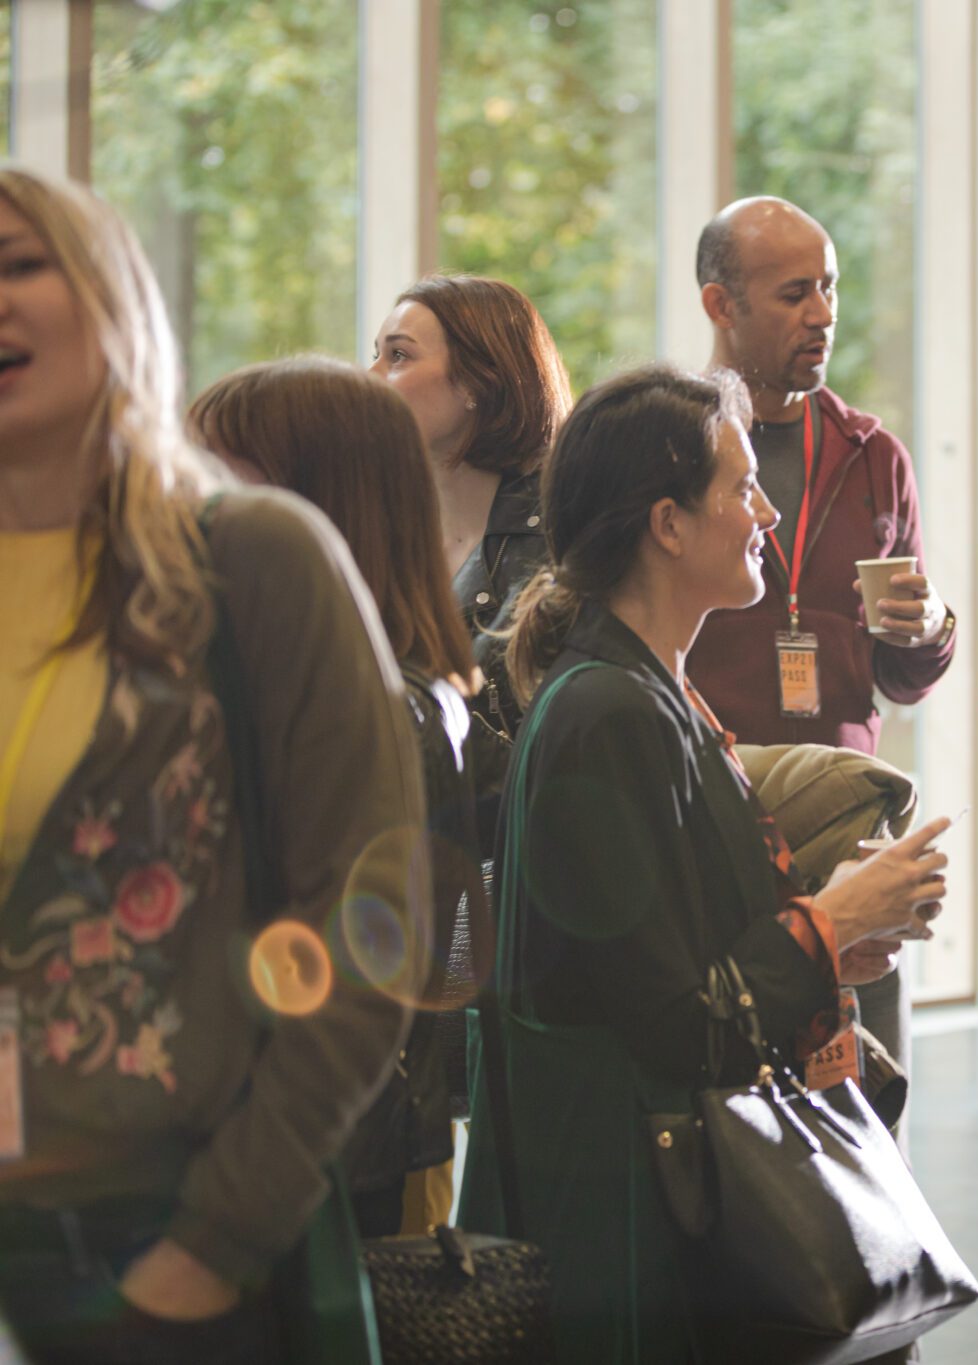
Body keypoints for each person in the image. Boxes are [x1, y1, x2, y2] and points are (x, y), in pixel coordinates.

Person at [0, 168, 424, 1360]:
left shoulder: (251, 561)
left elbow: (370, 919)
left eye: (20, 266)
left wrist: (214, 1248)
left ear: (114, 297)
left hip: (163, 1248)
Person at [462, 363, 950, 1358]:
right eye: (738, 487)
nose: (764, 512)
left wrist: (838, 946)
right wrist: (830, 922)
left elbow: (675, 955)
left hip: (655, 1201)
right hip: (632, 1229)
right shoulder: (607, 711)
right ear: (667, 524)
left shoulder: (646, 691)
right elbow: (673, 1023)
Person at [187, 355, 485, 1239]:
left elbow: (365, 976)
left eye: (221, 484)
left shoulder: (386, 710)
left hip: (346, 1163)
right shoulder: (365, 687)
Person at [691, 196, 957, 1116]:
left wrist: (924, 633)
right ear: (720, 305)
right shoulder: (674, 448)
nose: (823, 315)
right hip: (717, 819)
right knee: (733, 1118)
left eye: (831, 289)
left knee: (863, 1120)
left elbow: (903, 677)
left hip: (846, 829)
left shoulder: (872, 452)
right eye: (794, 293)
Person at [369, 274, 573, 743]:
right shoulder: (381, 528)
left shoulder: (562, 540)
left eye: (398, 356)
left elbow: (552, 757)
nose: (371, 376)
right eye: (375, 354)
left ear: (476, 382)